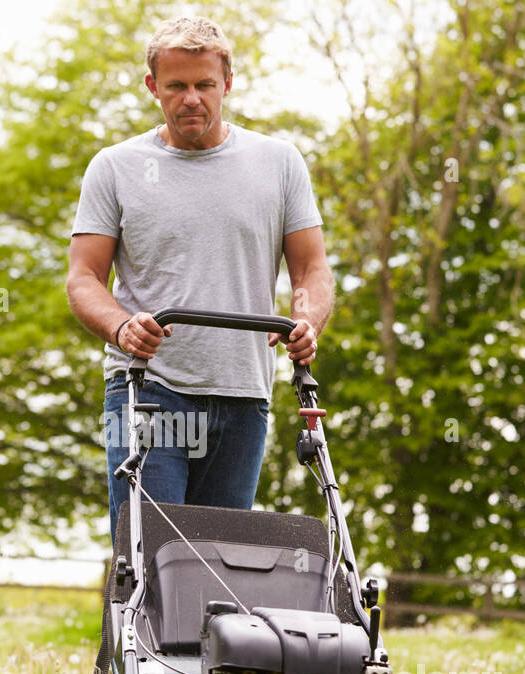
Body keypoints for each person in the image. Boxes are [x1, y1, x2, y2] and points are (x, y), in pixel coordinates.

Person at [66, 15, 333, 543]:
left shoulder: (279, 163)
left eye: (204, 85)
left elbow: (312, 269)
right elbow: (83, 278)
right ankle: (130, 629)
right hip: (147, 390)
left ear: (227, 84)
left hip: (243, 396)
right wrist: (122, 328)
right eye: (177, 86)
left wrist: (305, 319)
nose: (192, 98)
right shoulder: (114, 167)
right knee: (151, 555)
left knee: (222, 569)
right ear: (153, 87)